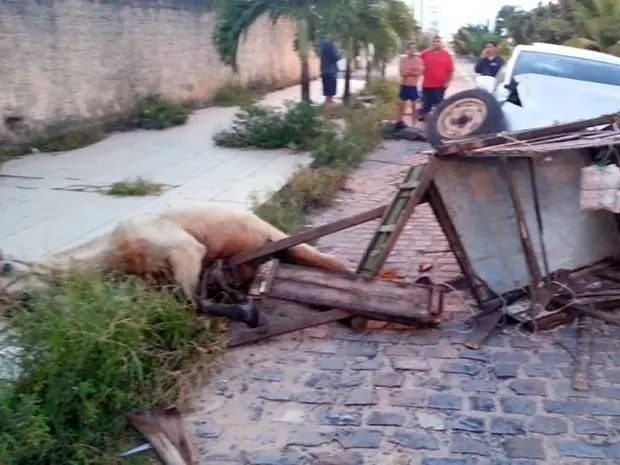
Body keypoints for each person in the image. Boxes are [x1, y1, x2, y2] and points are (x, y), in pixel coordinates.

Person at [419, 35, 454, 121]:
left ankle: (438, 121)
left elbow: (451, 70)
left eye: (438, 41)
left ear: (441, 43)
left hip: (440, 85)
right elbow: (417, 63)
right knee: (426, 104)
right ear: (431, 43)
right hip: (427, 84)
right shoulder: (425, 54)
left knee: (439, 104)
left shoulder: (446, 55)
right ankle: (424, 121)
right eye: (434, 41)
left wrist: (447, 82)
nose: (436, 43)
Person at [395, 41, 424, 131]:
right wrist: (412, 71)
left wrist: (409, 71)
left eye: (414, 48)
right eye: (410, 48)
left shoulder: (419, 60)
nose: (412, 50)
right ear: (407, 50)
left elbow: (418, 73)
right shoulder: (403, 60)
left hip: (413, 87)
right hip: (404, 86)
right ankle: (399, 122)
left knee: (414, 107)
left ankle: (414, 125)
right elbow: (402, 73)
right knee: (401, 106)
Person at [320, 33, 343, 120]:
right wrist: (341, 53)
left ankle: (327, 117)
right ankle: (326, 118)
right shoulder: (329, 44)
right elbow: (336, 57)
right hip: (330, 73)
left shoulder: (325, 44)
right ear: (333, 35)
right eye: (337, 35)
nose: (338, 37)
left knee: (329, 97)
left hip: (326, 73)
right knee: (329, 97)